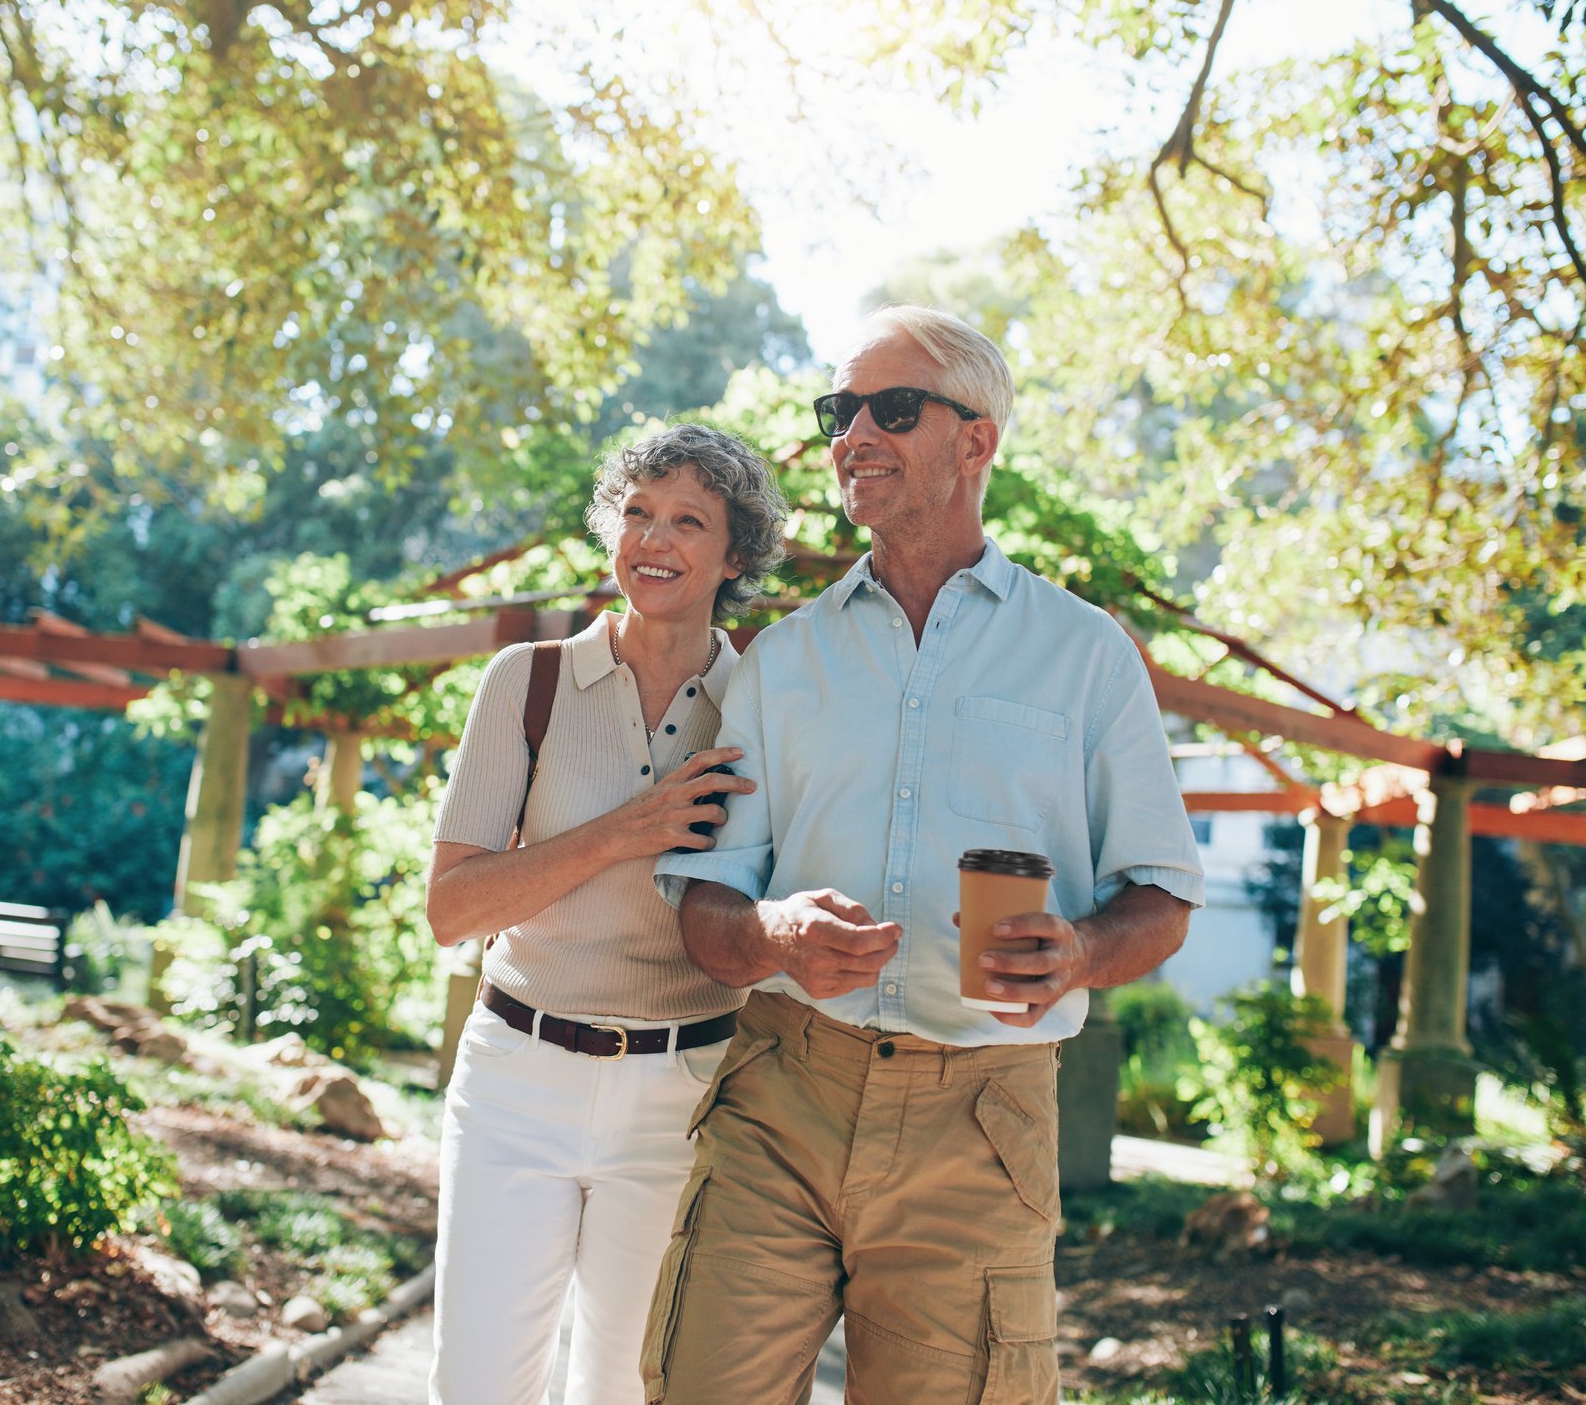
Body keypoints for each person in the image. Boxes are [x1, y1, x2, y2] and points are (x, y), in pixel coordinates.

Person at [644, 307, 1205, 1404]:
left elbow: (1164, 894)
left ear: (976, 441)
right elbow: (708, 911)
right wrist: (772, 935)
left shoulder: (1086, 656)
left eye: (892, 408)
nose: (853, 433)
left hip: (983, 1124)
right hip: (782, 1096)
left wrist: (1080, 953)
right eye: (838, 411)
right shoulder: (782, 660)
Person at [424, 423, 788, 1405]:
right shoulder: (528, 682)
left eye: (686, 520)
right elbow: (451, 908)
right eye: (636, 513)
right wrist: (622, 833)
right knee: (477, 1388)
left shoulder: (763, 702)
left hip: (681, 1091)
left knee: (628, 1389)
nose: (652, 540)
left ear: (736, 554)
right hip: (515, 1081)